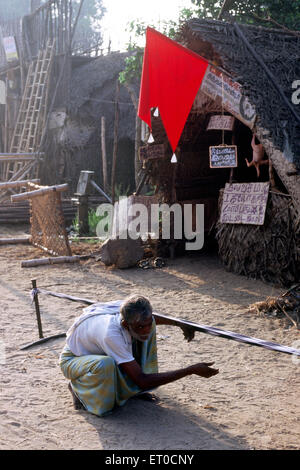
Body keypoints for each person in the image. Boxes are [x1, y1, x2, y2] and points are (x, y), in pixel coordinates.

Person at [59, 294, 219, 417]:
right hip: (74, 359)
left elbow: (151, 318)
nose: (146, 329)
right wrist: (190, 370)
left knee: (145, 331)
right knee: (105, 366)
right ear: (124, 324)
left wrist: (179, 323)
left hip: (100, 350)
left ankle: (131, 390)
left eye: (147, 324)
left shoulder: (129, 310)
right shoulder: (111, 334)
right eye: (140, 326)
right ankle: (78, 390)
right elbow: (142, 380)